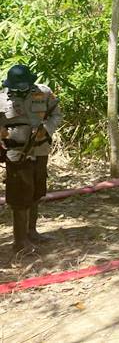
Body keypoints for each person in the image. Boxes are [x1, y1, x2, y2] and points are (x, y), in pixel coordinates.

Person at [0, 65, 63, 253]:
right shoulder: (2, 98)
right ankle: (20, 242)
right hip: (16, 153)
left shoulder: (44, 92)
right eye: (14, 87)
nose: (17, 90)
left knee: (36, 191)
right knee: (19, 196)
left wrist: (46, 129)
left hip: (40, 150)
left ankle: (32, 232)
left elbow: (56, 113)